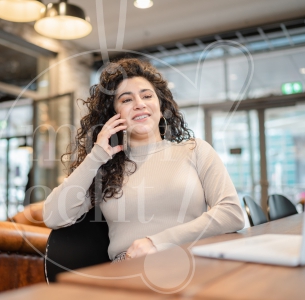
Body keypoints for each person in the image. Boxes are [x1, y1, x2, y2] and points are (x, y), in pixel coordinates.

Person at [43, 58, 245, 262]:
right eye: (126, 100)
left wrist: (158, 242)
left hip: (193, 264)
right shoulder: (105, 168)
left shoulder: (195, 150)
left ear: (160, 105)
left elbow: (232, 213)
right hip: (129, 275)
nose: (139, 104)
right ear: (113, 115)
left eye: (147, 96)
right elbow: (53, 216)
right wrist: (96, 156)